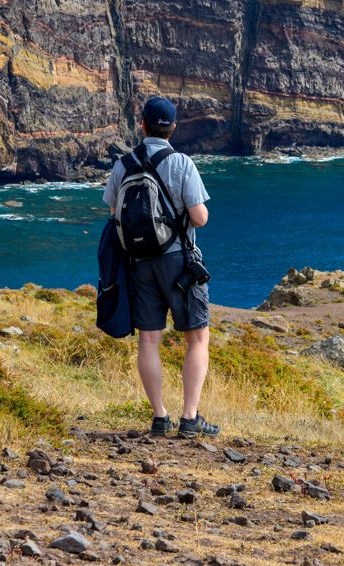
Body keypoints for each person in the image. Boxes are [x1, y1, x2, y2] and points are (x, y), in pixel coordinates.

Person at [103, 96, 219, 438]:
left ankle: (159, 417)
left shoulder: (123, 164)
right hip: (179, 262)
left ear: (142, 125)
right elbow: (200, 217)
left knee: (149, 339)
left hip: (138, 264)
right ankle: (189, 418)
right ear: (173, 127)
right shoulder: (181, 162)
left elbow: (113, 213)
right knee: (197, 337)